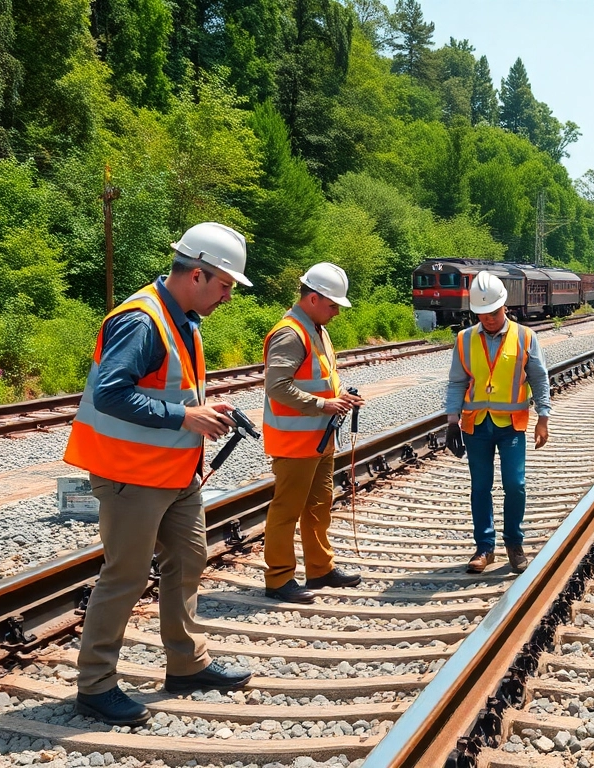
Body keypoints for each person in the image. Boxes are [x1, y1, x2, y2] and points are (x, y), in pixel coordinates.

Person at [63, 222, 254, 725]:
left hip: (175, 472)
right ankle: (95, 684)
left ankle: (186, 664)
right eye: (226, 285)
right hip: (131, 475)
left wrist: (204, 408)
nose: (229, 296)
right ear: (197, 274)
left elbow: (169, 390)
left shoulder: (183, 319)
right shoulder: (142, 320)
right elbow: (111, 393)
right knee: (124, 576)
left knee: (189, 560)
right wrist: (185, 417)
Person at [260, 263, 365, 604]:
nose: (337, 311)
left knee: (320, 506)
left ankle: (320, 569)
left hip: (319, 440)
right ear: (314, 298)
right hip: (295, 441)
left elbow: (321, 380)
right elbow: (277, 387)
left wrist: (340, 399)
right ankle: (278, 578)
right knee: (286, 510)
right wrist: (323, 405)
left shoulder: (316, 328)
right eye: (333, 304)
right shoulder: (291, 333)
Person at [444, 271, 552, 574]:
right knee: (480, 487)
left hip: (512, 425)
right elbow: (456, 382)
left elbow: (539, 378)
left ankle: (514, 544)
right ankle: (484, 548)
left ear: (505, 307)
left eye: (493, 313)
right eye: (482, 314)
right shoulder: (465, 339)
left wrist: (544, 417)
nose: (488, 319)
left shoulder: (525, 336)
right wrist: (452, 421)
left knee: (515, 485)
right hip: (476, 425)